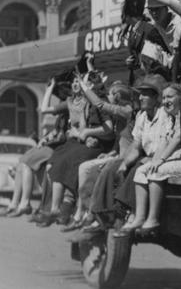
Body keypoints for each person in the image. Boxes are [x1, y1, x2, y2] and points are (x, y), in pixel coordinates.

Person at [37, 74, 114, 227]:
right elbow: (44, 109)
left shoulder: (97, 102)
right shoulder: (74, 102)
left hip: (94, 143)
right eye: (74, 81)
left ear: (89, 86)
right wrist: (50, 88)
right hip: (78, 141)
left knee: (70, 161)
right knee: (54, 162)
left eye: (79, 81)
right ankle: (55, 208)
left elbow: (108, 128)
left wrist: (85, 133)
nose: (75, 84)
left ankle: (66, 209)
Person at [116, 83, 181, 236]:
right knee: (142, 170)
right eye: (165, 97)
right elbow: (163, 140)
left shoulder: (180, 113)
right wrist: (155, 160)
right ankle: (139, 216)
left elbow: (176, 139)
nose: (166, 101)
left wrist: (159, 160)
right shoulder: (169, 116)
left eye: (170, 97)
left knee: (152, 171)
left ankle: (151, 217)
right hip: (166, 155)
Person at [63, 79, 135, 232]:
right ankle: (84, 211)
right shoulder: (121, 113)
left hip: (126, 159)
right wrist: (111, 152)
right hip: (119, 155)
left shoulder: (127, 111)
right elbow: (122, 140)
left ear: (117, 96)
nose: (106, 96)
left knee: (88, 169)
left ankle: (90, 213)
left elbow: (100, 104)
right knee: (84, 168)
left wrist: (84, 87)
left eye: (109, 94)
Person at [0, 78, 70, 217]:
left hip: (59, 148)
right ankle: (16, 203)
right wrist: (46, 138)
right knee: (21, 162)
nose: (57, 95)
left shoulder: (69, 105)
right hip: (53, 145)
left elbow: (46, 111)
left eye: (59, 92)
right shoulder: (64, 109)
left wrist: (49, 89)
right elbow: (58, 130)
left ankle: (24, 203)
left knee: (26, 163)